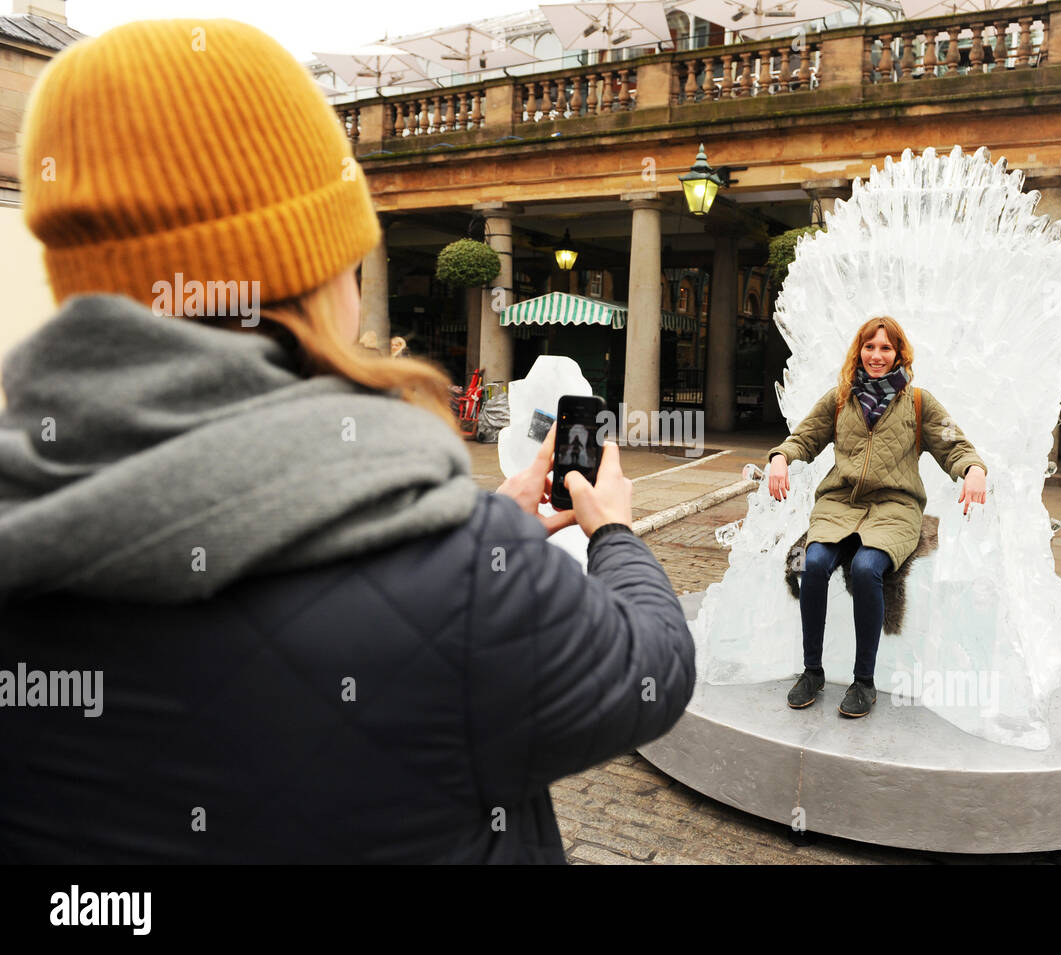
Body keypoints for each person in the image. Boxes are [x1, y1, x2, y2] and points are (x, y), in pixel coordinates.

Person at [0, 19, 694, 864]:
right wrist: (611, 529)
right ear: (312, 268)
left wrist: (486, 523)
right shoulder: (460, 581)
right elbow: (650, 669)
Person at [766, 316, 987, 718]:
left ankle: (863, 681)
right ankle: (812, 671)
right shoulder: (839, 399)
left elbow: (955, 446)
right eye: (870, 347)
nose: (877, 356)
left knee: (868, 568)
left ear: (899, 354)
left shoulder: (919, 402)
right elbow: (804, 439)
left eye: (886, 348)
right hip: (840, 503)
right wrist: (781, 457)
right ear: (859, 351)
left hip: (894, 508)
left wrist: (973, 469)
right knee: (813, 564)